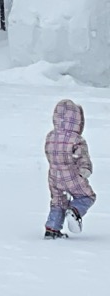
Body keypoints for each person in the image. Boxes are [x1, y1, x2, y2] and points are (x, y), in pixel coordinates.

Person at [44, 98, 94, 239]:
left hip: (54, 175)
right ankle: (75, 211)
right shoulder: (76, 139)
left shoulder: (50, 136)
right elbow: (81, 156)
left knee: (58, 201)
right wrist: (85, 169)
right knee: (87, 196)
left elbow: (48, 153)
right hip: (72, 175)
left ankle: (52, 229)